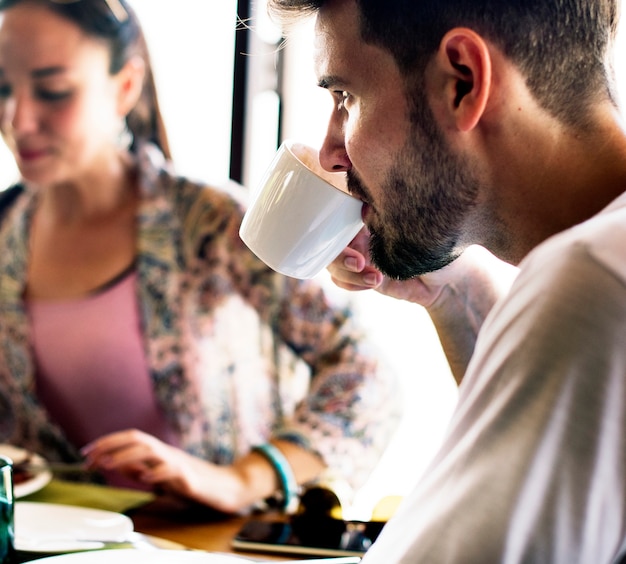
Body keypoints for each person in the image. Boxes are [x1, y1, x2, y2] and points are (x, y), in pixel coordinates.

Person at [0, 0, 407, 516]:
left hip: (208, 545)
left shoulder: (213, 224)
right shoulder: (5, 231)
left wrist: (242, 479)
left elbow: (368, 377)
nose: (17, 118)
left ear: (126, 86)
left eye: (53, 90)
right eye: (2, 88)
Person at [267, 0, 626, 561]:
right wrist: (458, 292)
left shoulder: (597, 283)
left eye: (345, 97)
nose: (333, 153)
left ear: (463, 81)